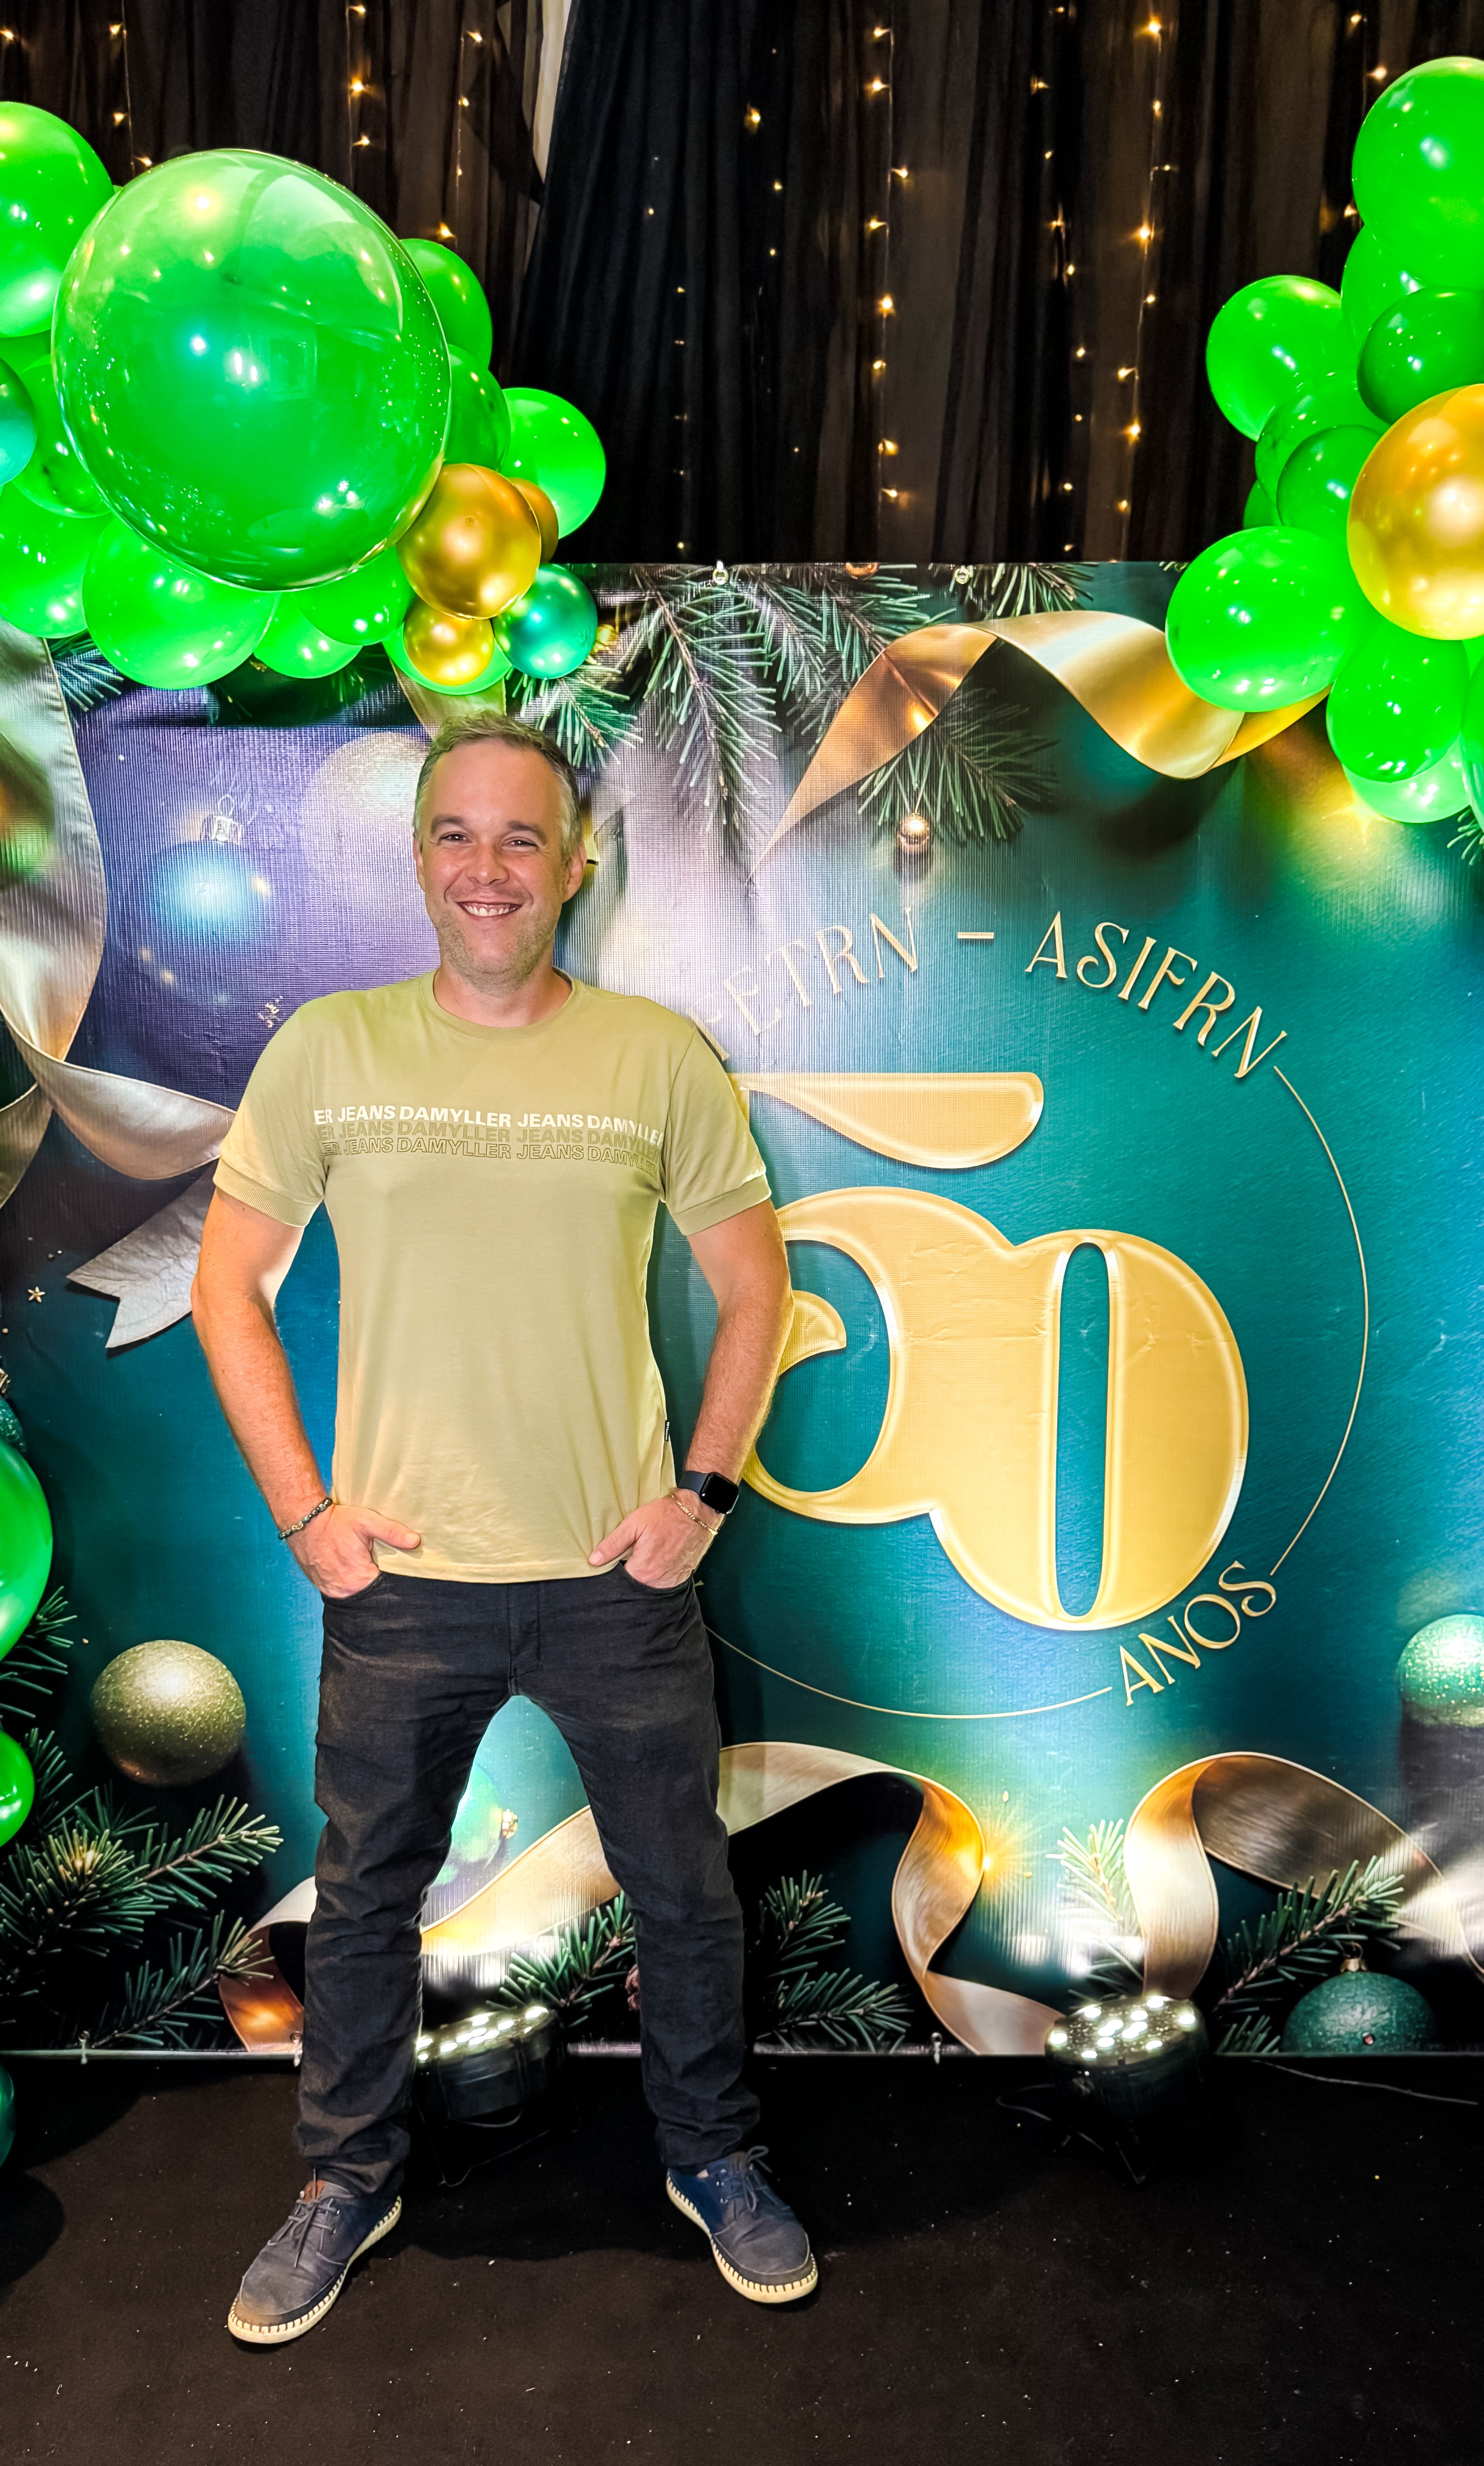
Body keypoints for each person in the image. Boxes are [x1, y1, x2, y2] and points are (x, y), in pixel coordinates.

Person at [192, 709, 812, 2345]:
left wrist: (704, 1492)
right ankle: (346, 2175)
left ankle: (713, 2153)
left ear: (574, 861)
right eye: (457, 835)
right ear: (419, 861)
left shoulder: (655, 1057)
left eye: (521, 837)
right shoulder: (330, 1048)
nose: (489, 867)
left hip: (616, 1578)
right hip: (402, 1579)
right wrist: (305, 1512)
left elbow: (758, 1288)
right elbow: (226, 1285)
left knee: (683, 1891)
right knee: (365, 1896)